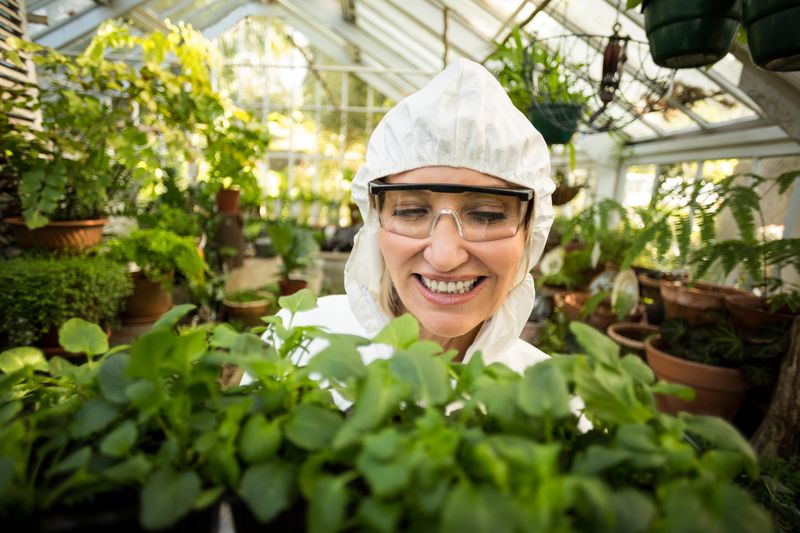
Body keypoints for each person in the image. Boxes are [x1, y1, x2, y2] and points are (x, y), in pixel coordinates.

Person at [263, 57, 554, 374]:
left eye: (486, 216)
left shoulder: (560, 405)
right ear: (375, 223)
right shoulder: (297, 345)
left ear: (531, 231)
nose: (444, 257)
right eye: (411, 211)